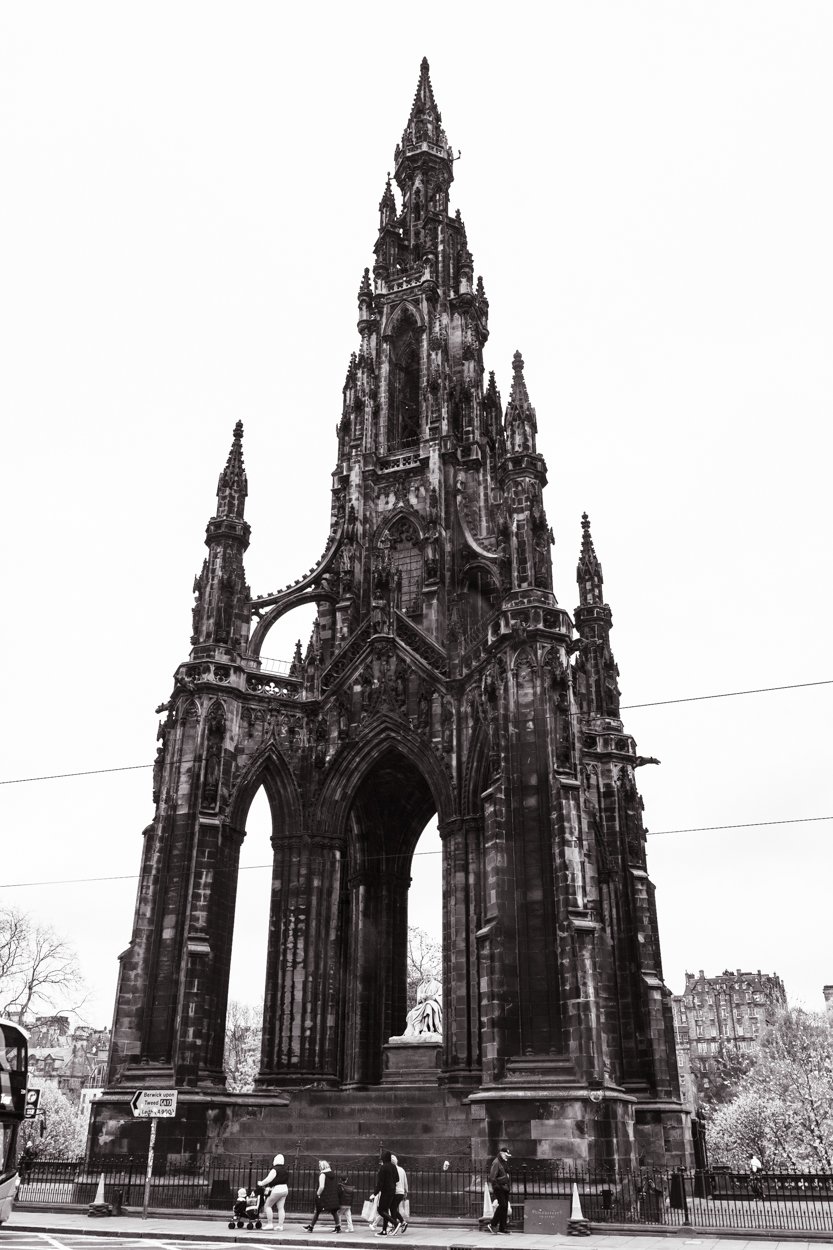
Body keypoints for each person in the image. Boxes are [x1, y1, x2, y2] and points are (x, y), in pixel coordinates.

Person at [305, 1160, 341, 1232]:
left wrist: (318, 1194)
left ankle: (311, 1227)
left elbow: (321, 1187)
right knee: (334, 1211)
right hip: (332, 1196)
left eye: (319, 1166)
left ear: (322, 1167)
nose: (319, 1168)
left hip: (324, 1196)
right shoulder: (332, 1174)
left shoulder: (323, 1175)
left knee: (317, 1211)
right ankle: (338, 1227)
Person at [373, 1150, 402, 1236]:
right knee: (385, 1210)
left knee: (381, 1210)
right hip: (393, 1191)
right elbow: (397, 1179)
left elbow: (380, 1183)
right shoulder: (393, 1166)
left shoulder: (383, 1167)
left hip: (385, 1191)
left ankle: (395, 1223)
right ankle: (384, 1230)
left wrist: (375, 1193)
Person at [488, 1146, 512, 1234]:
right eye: (506, 1155)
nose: (507, 1157)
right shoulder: (496, 1162)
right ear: (501, 1154)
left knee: (505, 1207)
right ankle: (492, 1224)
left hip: (505, 1187)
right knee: (502, 1205)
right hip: (499, 1187)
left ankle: (502, 1228)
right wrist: (497, 1186)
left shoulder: (503, 1162)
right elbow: (492, 1177)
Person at [391, 1154, 409, 1234]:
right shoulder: (402, 1169)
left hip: (395, 1192)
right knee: (393, 1209)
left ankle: (395, 1226)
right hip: (401, 1192)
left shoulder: (392, 1169)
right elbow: (405, 1182)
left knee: (392, 1209)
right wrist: (406, 1192)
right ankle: (401, 1223)